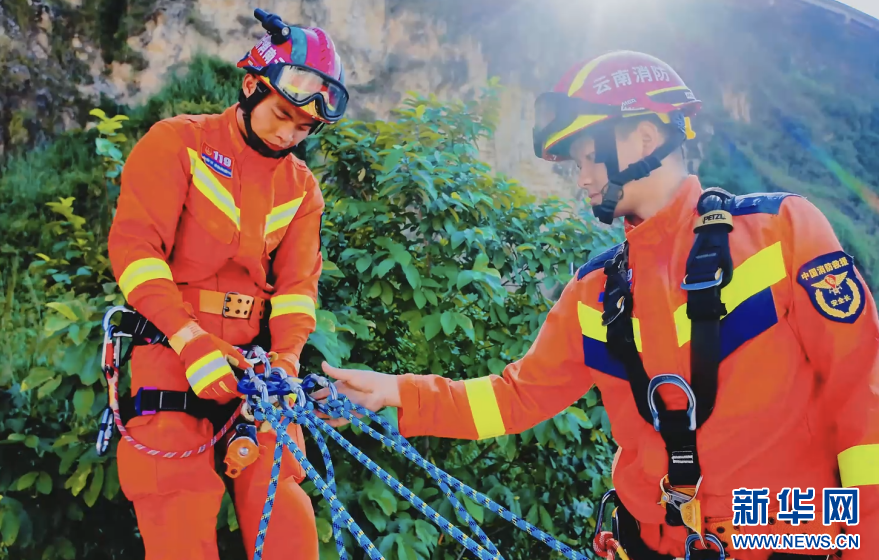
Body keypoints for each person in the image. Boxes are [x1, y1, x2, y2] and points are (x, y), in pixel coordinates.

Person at [313, 50, 879, 560]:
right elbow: (516, 397)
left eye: (589, 157)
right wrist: (395, 391)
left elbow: (862, 394)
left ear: (645, 138)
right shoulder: (596, 291)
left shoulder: (781, 232)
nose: (581, 178)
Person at [107, 8, 348, 560]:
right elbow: (137, 254)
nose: (288, 134)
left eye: (304, 128)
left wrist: (287, 361)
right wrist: (189, 340)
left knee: (283, 507)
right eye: (282, 114)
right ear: (250, 86)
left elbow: (296, 290)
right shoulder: (178, 143)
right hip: (169, 350)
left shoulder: (301, 190)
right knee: (177, 507)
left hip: (257, 369)